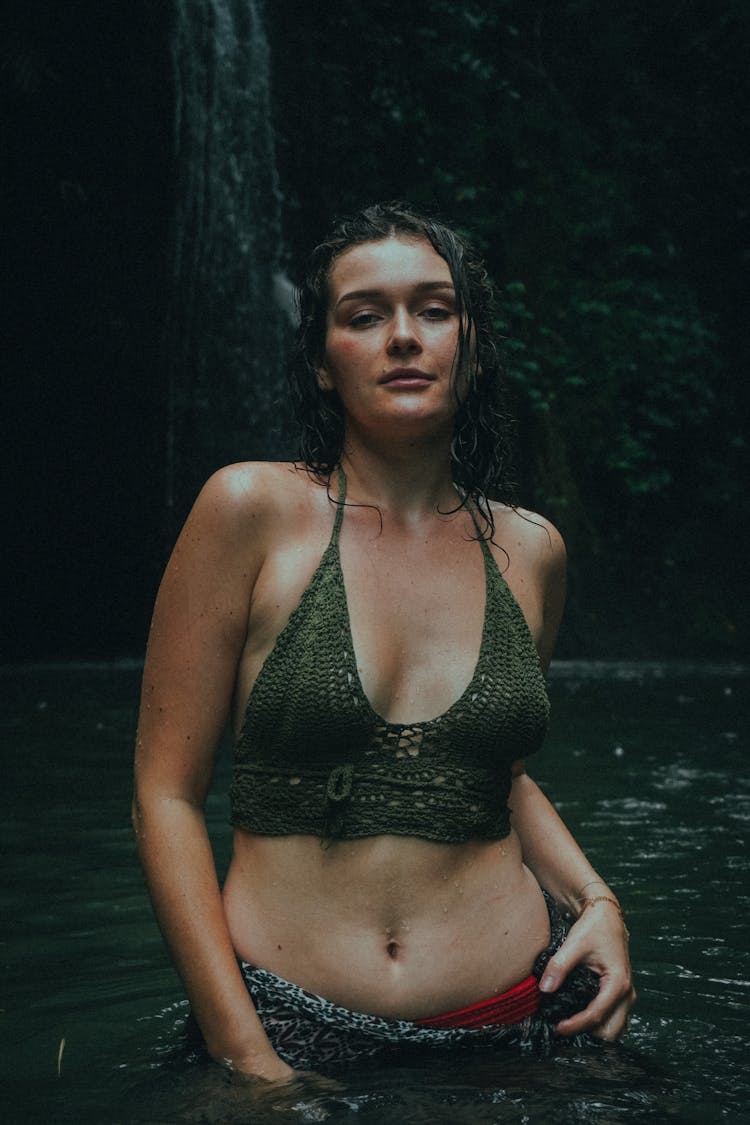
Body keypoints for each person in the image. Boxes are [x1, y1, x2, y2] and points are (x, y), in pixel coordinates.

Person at [133, 202, 635, 1083]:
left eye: (434, 310)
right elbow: (166, 794)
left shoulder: (531, 549)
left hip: (523, 1023)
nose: (404, 335)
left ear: (471, 347)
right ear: (324, 363)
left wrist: (599, 900)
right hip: (286, 1023)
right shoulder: (250, 512)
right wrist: (247, 1054)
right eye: (365, 316)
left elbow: (495, 772)